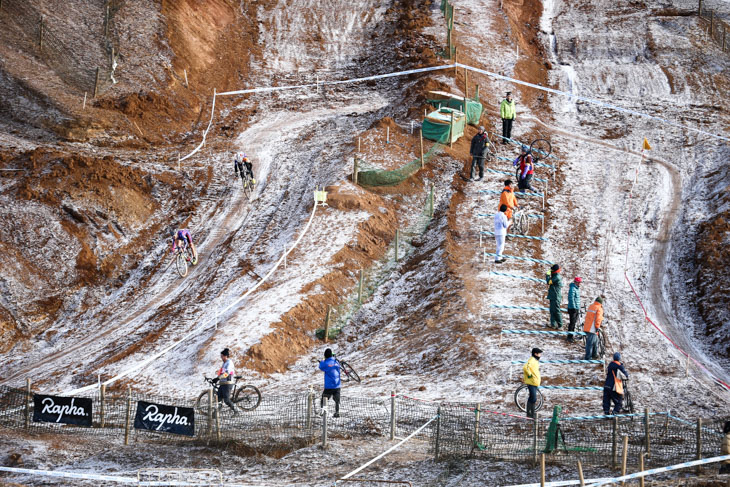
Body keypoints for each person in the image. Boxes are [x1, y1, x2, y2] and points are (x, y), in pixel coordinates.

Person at [318, 348, 341, 418]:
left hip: (329, 386)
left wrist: (322, 360)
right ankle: (337, 412)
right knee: (337, 400)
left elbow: (321, 366)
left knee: (324, 399)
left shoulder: (326, 363)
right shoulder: (336, 362)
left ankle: (323, 412)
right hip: (337, 385)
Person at [215, 348, 237, 414]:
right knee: (218, 398)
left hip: (228, 383)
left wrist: (218, 378)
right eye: (221, 356)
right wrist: (216, 378)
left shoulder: (229, 363)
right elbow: (221, 372)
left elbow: (226, 373)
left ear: (225, 356)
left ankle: (236, 411)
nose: (221, 358)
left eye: (222, 356)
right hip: (223, 383)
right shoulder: (224, 363)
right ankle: (216, 413)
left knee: (226, 400)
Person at [522, 347, 542, 419]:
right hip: (531, 382)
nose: (540, 355)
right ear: (535, 354)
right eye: (539, 354)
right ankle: (529, 414)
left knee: (533, 398)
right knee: (533, 398)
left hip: (534, 382)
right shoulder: (532, 360)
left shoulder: (535, 361)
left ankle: (531, 414)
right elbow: (525, 367)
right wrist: (530, 375)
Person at [546, 264, 563, 329]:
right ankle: (553, 324)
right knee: (552, 311)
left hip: (556, 297)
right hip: (553, 296)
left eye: (552, 269)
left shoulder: (557, 277)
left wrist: (547, 275)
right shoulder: (555, 275)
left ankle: (560, 325)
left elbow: (549, 282)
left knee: (557, 311)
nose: (551, 270)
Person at [566, 277, 582, 343]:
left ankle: (572, 335)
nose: (579, 284)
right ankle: (569, 337)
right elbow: (571, 298)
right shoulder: (572, 288)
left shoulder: (577, 289)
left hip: (576, 308)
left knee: (574, 322)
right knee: (572, 323)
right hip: (573, 309)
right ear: (575, 282)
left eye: (579, 282)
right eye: (578, 282)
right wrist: (574, 307)